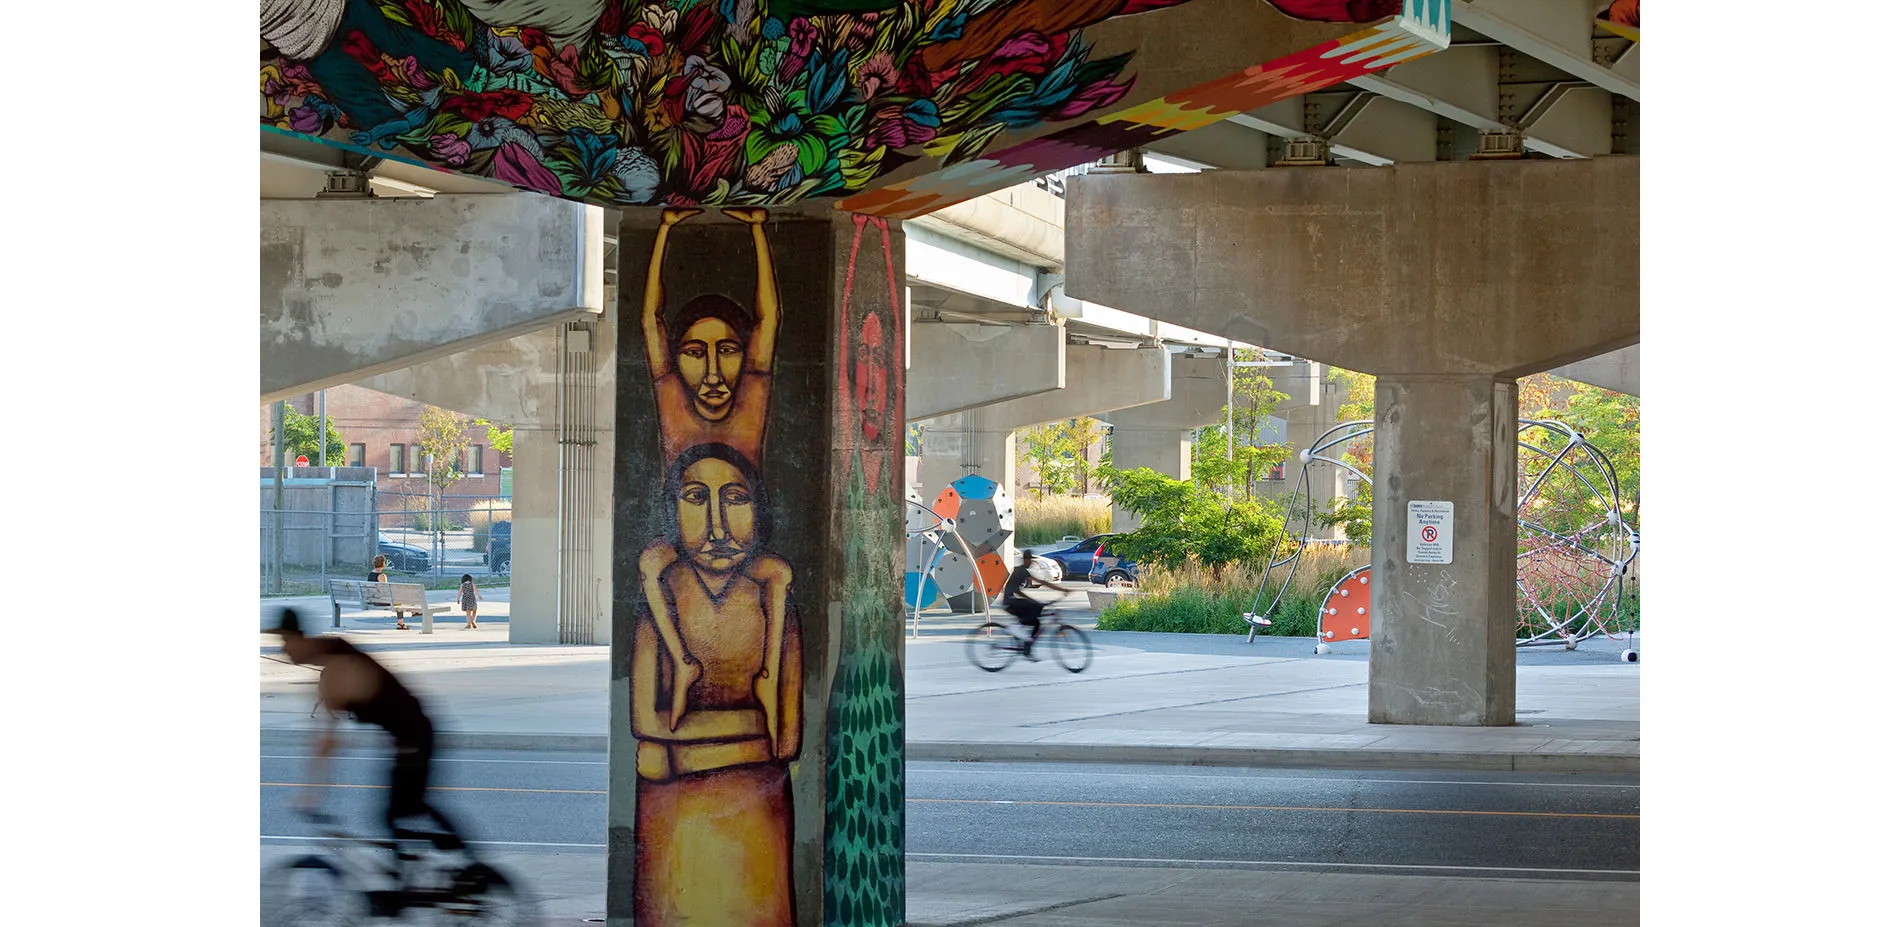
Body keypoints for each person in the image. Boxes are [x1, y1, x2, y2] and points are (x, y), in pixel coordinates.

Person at [269, 608, 463, 852]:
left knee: (400, 812)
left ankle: (463, 857)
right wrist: (313, 788)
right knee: (399, 814)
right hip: (405, 737)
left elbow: (328, 741)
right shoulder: (330, 665)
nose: (283, 650)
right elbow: (326, 740)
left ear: (299, 639)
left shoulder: (339, 665)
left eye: (285, 641)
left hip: (415, 735)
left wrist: (312, 791)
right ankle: (432, 862)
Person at [1001, 550, 1069, 660]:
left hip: (1011, 601)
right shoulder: (1021, 571)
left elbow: (1017, 591)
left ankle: (1027, 650)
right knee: (1036, 608)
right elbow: (1042, 582)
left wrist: (1033, 600)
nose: (1031, 562)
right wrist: (1062, 590)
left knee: (1037, 623)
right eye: (1030, 560)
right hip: (1010, 602)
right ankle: (1015, 627)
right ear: (1026, 560)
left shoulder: (1021, 571)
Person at [368, 554, 407, 630]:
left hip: (371, 600)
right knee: (399, 600)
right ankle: (400, 623)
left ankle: (412, 614)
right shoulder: (382, 576)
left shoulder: (370, 574)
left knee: (398, 600)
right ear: (383, 564)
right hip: (380, 601)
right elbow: (385, 591)